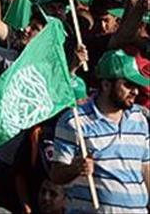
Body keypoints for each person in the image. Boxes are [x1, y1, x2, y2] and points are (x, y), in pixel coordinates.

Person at [50, 50, 150, 212]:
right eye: (128, 85)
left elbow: (146, 169)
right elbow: (56, 175)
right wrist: (76, 168)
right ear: (106, 85)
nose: (135, 92)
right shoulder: (74, 121)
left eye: (136, 86)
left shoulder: (139, 118)